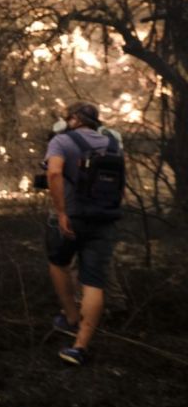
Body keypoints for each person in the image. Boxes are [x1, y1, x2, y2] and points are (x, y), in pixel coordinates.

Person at [44, 101, 124, 366]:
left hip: (72, 217)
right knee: (94, 281)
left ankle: (70, 317)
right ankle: (80, 346)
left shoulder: (62, 141)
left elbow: (54, 172)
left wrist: (62, 211)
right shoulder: (112, 144)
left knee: (58, 263)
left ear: (75, 119)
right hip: (104, 219)